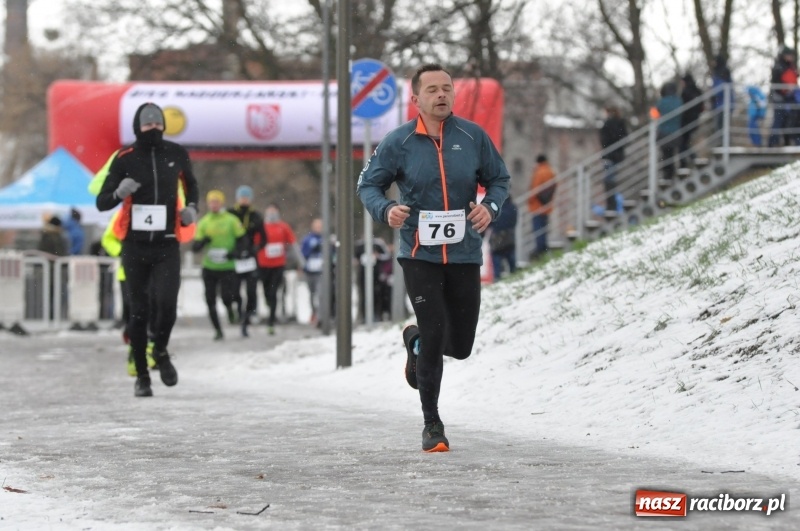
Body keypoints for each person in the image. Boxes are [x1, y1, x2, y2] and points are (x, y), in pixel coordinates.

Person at [357, 63, 510, 452]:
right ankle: (432, 425)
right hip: (418, 252)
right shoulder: (399, 142)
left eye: (447, 88)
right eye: (432, 90)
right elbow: (368, 185)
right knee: (436, 327)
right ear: (416, 99)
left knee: (460, 345)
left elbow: (499, 179)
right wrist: (385, 210)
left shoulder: (472, 136)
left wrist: (489, 206)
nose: (441, 95)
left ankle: (416, 343)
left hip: (463, 252)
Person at [96, 102, 199, 398]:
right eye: (147, 123)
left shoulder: (176, 153)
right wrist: (118, 192)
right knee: (138, 312)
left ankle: (162, 351)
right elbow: (101, 201)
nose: (153, 127)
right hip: (135, 245)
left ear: (164, 125)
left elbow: (192, 186)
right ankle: (142, 374)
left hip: (167, 242)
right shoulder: (125, 157)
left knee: (166, 303)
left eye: (157, 123)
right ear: (137, 126)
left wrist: (192, 208)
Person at [192, 190, 246, 341]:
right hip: (209, 267)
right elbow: (195, 247)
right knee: (210, 299)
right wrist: (204, 241)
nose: (214, 205)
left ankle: (229, 309)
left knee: (227, 297)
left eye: (216, 202)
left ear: (221, 203)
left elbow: (242, 240)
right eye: (211, 202)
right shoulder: (204, 222)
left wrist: (234, 253)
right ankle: (218, 330)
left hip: (227, 267)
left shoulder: (231, 220)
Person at [229, 185, 267, 337]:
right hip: (235, 257)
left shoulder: (256, 216)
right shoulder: (230, 214)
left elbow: (264, 239)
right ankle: (238, 311)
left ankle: (247, 317)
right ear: (237, 198)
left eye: (247, 197)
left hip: (251, 257)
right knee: (234, 291)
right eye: (242, 197)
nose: (244, 200)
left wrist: (255, 249)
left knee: (251, 290)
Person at [254, 204, 299, 335]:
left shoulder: (283, 227)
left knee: (274, 293)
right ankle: (269, 305)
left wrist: (300, 262)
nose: (272, 215)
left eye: (274, 212)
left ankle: (271, 321)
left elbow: (292, 244)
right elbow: (255, 244)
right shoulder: (261, 227)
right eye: (270, 212)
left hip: (278, 265)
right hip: (263, 265)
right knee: (266, 292)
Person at [527, 154, 556, 260]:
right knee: (543, 229)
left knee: (538, 229)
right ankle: (543, 249)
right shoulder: (551, 171)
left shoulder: (539, 172)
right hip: (546, 206)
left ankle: (540, 250)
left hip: (537, 207)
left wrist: (529, 200)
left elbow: (535, 189)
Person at [599, 105, 627, 211]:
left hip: (610, 155)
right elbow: (624, 137)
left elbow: (604, 139)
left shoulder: (608, 123)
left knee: (609, 180)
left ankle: (611, 205)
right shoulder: (620, 122)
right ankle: (613, 204)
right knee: (611, 179)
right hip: (617, 155)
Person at [768, 46, 799, 147]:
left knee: (788, 120)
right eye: (789, 55)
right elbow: (776, 83)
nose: (791, 57)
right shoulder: (779, 67)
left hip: (788, 98)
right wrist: (785, 88)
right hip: (779, 98)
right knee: (778, 120)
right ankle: (772, 143)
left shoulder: (790, 67)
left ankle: (787, 142)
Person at [655, 81, 683, 180]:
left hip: (664, 132)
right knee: (673, 154)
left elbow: (655, 114)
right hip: (676, 132)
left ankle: (668, 175)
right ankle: (676, 171)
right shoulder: (678, 100)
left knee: (666, 155)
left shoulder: (662, 102)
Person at [300, 218, 324, 326]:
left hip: (321, 272)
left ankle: (320, 316)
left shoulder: (325, 239)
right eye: (317, 226)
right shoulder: (307, 239)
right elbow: (303, 254)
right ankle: (314, 313)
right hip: (310, 271)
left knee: (320, 293)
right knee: (312, 294)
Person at [679, 73, 704, 168]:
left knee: (683, 144)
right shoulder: (696, 91)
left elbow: (684, 106)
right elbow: (701, 106)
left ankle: (687, 162)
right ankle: (691, 160)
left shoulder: (686, 92)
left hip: (686, 121)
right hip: (694, 120)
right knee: (684, 143)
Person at [489, 199, 517, 281]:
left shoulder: (495, 208)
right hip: (509, 236)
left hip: (497, 237)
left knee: (496, 257)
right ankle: (514, 274)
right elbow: (514, 221)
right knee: (510, 257)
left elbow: (490, 223)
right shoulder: (512, 207)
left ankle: (497, 277)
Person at [710, 53, 734, 136]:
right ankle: (723, 144)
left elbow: (722, 88)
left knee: (722, 127)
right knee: (721, 127)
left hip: (723, 104)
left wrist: (713, 93)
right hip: (721, 104)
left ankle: (724, 145)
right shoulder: (719, 72)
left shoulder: (722, 72)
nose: (713, 63)